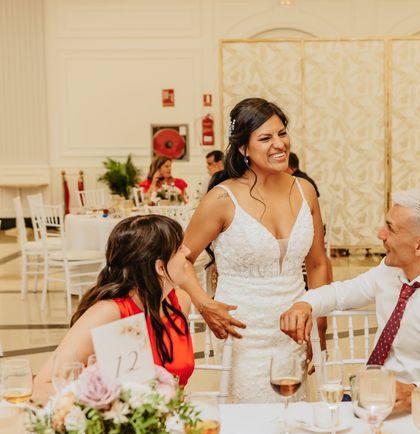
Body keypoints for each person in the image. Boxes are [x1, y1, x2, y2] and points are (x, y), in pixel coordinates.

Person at [280, 189, 420, 412]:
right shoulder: (390, 272)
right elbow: (341, 293)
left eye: (390, 229)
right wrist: (306, 304)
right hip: (369, 400)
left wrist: (415, 391)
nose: (380, 234)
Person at [181, 97, 332, 403]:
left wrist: (320, 322)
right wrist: (204, 304)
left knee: (293, 412)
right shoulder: (222, 199)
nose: (279, 144)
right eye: (265, 138)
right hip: (243, 331)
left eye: (282, 133)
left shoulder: (305, 191)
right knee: (252, 420)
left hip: (294, 325)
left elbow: (317, 264)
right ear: (243, 148)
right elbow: (178, 259)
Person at [33, 215, 194, 403]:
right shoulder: (110, 313)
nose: (188, 251)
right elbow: (42, 386)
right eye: (180, 248)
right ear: (160, 266)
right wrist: (105, 407)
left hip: (170, 422)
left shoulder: (180, 302)